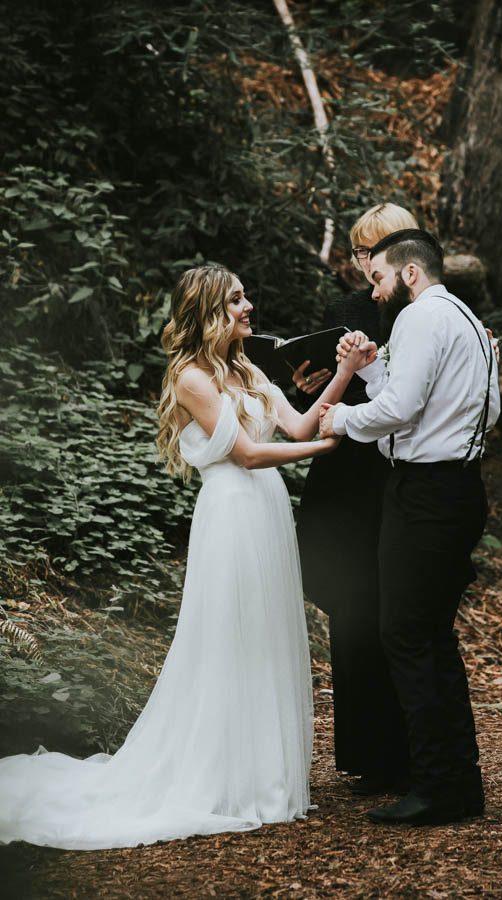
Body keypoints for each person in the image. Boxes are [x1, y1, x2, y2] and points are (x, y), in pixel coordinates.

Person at [0, 264, 358, 850]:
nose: (248, 306)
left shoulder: (246, 367)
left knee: (264, 633)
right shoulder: (191, 376)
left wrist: (343, 373)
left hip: (266, 510)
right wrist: (327, 448)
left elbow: (295, 424)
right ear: (210, 311)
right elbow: (245, 454)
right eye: (236, 299)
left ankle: (261, 772)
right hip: (233, 512)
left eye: (246, 295)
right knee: (229, 637)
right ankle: (222, 776)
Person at [320, 229, 501, 826]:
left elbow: (399, 412)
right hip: (458, 490)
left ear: (410, 274)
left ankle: (436, 786)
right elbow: (481, 409)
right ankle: (460, 781)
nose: (374, 292)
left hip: (424, 495)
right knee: (432, 637)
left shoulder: (421, 318)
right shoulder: (469, 320)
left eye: (378, 278)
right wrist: (371, 372)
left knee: (404, 634)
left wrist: (341, 416)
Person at [293, 203, 417, 794]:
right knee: (353, 610)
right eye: (362, 252)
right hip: (347, 479)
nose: (369, 263)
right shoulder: (342, 310)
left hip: (401, 473)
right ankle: (366, 754)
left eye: (380, 250)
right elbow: (321, 385)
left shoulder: (428, 310)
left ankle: (410, 747)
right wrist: (314, 380)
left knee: (397, 609)